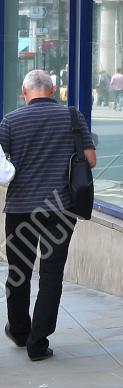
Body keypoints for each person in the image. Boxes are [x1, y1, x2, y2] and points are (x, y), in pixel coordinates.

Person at [0, 70, 95, 361]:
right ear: (53, 89)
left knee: (18, 272)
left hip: (20, 208)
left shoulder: (10, 121)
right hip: (61, 208)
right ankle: (38, 343)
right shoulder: (73, 117)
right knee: (51, 275)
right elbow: (90, 160)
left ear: (24, 92)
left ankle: (19, 331)